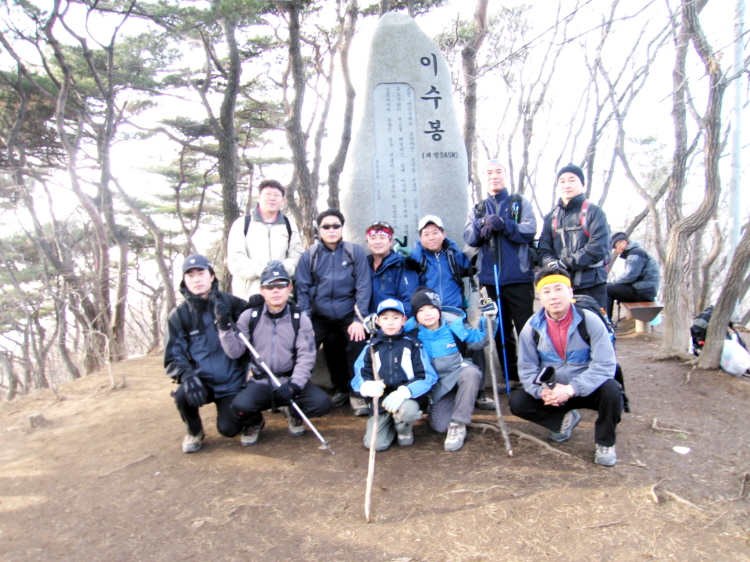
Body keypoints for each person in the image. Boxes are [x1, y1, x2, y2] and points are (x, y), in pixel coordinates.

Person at [509, 265, 623, 466]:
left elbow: (605, 364)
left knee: (612, 391)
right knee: (518, 403)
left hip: (587, 388)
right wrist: (542, 391)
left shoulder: (590, 321)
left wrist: (571, 389)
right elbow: (527, 368)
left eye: (558, 289)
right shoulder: (531, 328)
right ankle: (564, 421)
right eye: (546, 291)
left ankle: (605, 442)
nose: (553, 296)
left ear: (570, 292)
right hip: (554, 392)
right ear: (540, 297)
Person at [217, 261, 331, 445]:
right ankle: (255, 422)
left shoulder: (299, 318)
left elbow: (306, 356)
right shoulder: (250, 316)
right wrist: (224, 329)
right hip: (260, 382)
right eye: (270, 286)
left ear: (290, 287)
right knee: (238, 408)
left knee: (321, 404)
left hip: (290, 380)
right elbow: (235, 352)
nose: (275, 290)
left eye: (281, 284)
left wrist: (294, 386)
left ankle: (294, 413)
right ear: (262, 290)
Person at [164, 254, 253, 453]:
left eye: (201, 273)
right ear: (184, 280)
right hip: (201, 382)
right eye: (190, 275)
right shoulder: (179, 315)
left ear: (212, 276)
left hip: (231, 382)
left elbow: (258, 321)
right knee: (182, 395)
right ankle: (194, 431)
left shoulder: (231, 303)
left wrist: (258, 304)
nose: (196, 279)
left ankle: (252, 420)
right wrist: (187, 377)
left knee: (229, 429)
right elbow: (173, 356)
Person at [464, 160, 537, 391]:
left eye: (498, 172)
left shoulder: (518, 203)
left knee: (527, 329)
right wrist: (482, 224)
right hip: (489, 280)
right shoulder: (478, 208)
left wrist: (505, 224)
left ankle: (534, 375)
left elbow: (529, 230)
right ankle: (511, 376)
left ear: (505, 176)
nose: (493, 176)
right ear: (483, 178)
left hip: (519, 278)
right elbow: (469, 237)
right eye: (489, 172)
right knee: (500, 331)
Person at [295, 209, 371, 412]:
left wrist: (359, 319)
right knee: (304, 345)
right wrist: (305, 320)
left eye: (336, 226)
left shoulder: (354, 252)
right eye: (326, 226)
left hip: (348, 313)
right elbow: (302, 289)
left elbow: (363, 286)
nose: (331, 230)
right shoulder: (309, 256)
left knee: (358, 343)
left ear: (342, 228)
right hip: (318, 316)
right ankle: (297, 392)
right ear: (319, 230)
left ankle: (357, 393)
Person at [404, 287, 490, 452]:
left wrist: (489, 319)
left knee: (471, 373)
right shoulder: (410, 330)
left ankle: (459, 423)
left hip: (457, 373)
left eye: (431, 308)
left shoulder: (455, 324)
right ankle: (450, 406)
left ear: (438, 308)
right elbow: (390, 334)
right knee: (440, 426)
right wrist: (375, 325)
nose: (427, 314)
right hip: (437, 386)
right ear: (415, 314)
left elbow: (479, 340)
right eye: (421, 310)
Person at [351, 298, 438, 451]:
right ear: (378, 321)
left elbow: (427, 377)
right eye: (385, 318)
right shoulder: (371, 347)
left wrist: (404, 392)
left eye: (396, 318)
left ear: (403, 320)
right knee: (376, 445)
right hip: (381, 403)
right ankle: (388, 424)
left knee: (408, 412)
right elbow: (359, 374)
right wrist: (365, 386)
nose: (390, 323)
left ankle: (403, 429)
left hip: (405, 400)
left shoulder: (413, 345)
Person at [537, 163, 611, 311]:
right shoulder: (551, 217)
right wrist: (551, 264)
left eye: (572, 180)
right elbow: (543, 249)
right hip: (560, 285)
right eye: (562, 181)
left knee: (593, 323)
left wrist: (565, 263)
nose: (567, 185)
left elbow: (598, 247)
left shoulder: (594, 212)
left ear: (582, 184)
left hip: (591, 284)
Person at [227, 179, 305, 299]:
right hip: (248, 296)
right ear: (259, 197)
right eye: (267, 194)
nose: (272, 198)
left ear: (283, 200)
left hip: (280, 295)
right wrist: (264, 271)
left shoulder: (289, 224)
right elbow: (235, 260)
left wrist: (281, 269)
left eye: (276, 195)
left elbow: (296, 256)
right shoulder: (242, 224)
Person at [606, 232, 660, 320]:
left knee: (607, 289)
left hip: (643, 291)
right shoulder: (635, 252)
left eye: (615, 247)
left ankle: (606, 321)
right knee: (609, 287)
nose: (615, 250)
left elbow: (630, 275)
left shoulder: (635, 253)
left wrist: (613, 283)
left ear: (623, 243)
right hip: (644, 290)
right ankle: (607, 320)